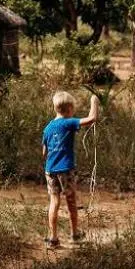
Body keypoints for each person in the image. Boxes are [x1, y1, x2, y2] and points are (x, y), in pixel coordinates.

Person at [42, 89, 98, 248]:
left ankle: (53, 238)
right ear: (69, 110)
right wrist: (94, 101)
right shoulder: (69, 122)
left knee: (54, 201)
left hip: (50, 170)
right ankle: (74, 234)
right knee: (71, 201)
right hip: (65, 169)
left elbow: (44, 152)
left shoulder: (48, 127)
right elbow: (92, 119)